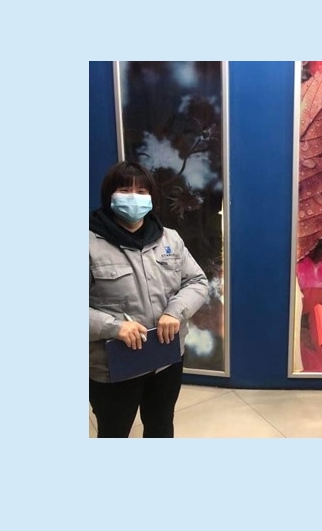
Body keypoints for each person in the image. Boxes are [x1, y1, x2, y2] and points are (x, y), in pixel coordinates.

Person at [89, 161, 208, 438]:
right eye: (124, 190)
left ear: (151, 197)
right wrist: (113, 326)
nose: (134, 197)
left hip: (165, 359)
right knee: (114, 432)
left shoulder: (170, 239)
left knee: (161, 426)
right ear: (109, 195)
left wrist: (175, 312)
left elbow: (197, 281)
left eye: (141, 191)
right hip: (113, 366)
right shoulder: (88, 243)